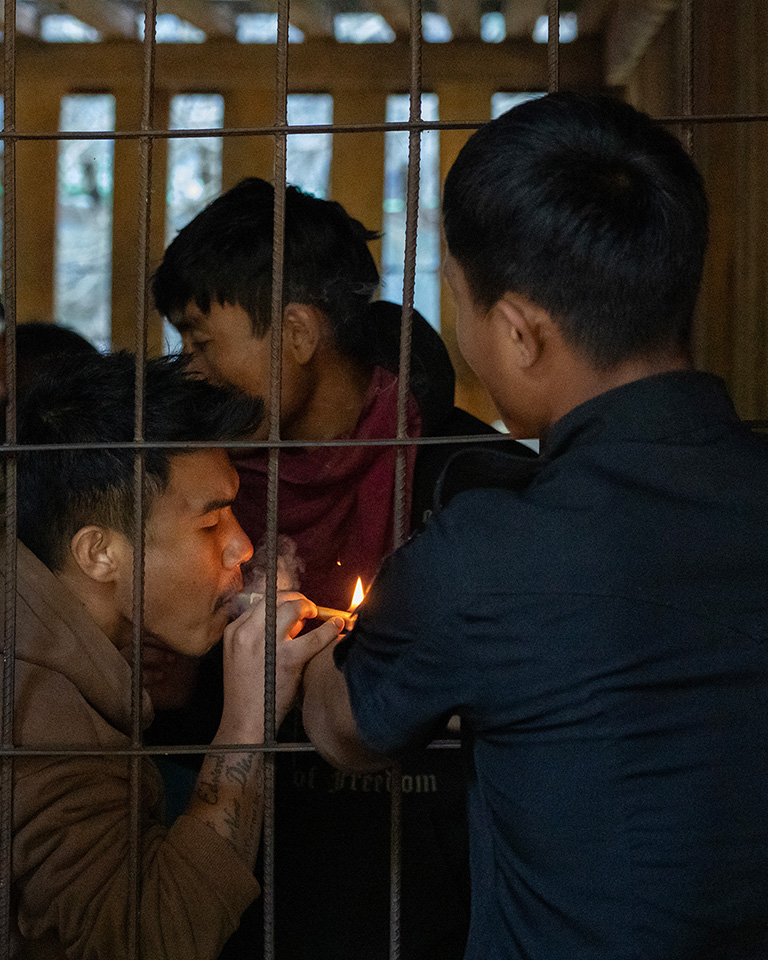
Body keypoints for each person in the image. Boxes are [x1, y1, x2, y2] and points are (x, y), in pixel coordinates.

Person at [301, 91, 768, 960]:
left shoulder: (487, 554)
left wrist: (311, 651)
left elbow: (346, 730)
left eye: (458, 301)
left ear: (520, 333)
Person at [151, 180, 535, 959]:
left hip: (434, 898)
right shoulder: (193, 489)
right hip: (243, 897)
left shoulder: (477, 483)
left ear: (294, 331)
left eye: (201, 342)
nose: (188, 371)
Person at [5, 351, 342, 959]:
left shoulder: (41, 623)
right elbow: (146, 941)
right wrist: (247, 721)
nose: (242, 545)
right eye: (210, 526)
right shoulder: (32, 705)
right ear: (99, 554)